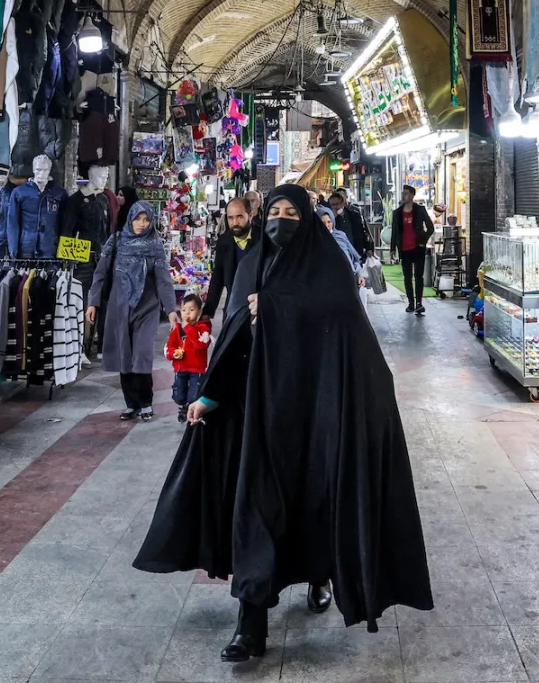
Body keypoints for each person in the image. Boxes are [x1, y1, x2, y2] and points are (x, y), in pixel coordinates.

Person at [133, 184, 432, 661]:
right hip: (260, 416)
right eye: (275, 211)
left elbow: (342, 326)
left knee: (313, 508)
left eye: (293, 212)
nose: (282, 220)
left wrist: (275, 308)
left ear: (308, 219)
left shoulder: (329, 266)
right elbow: (235, 337)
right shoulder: (254, 264)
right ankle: (249, 625)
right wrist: (209, 395)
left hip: (314, 416)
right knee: (256, 511)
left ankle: (318, 576)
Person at [86, 201, 177, 421]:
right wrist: (93, 302)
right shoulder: (116, 241)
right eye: (138, 219)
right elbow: (100, 274)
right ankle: (131, 404)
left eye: (146, 220)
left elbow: (163, 279)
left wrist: (171, 309)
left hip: (147, 308)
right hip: (119, 307)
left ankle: (145, 402)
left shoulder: (154, 245)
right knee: (124, 356)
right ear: (130, 219)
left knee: (142, 355)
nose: (142, 224)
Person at [203, 197, 256, 321]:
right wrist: (208, 311)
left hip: (257, 308)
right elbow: (218, 276)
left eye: (240, 217)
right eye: (230, 218)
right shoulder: (224, 241)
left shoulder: (263, 240)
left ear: (251, 215)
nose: (235, 222)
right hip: (233, 306)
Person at [167, 293, 213, 422]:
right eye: (183, 310)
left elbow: (201, 345)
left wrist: (188, 328)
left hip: (196, 368)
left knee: (194, 394)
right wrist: (173, 353)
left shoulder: (203, 329)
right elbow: (169, 346)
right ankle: (184, 405)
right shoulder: (177, 329)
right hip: (180, 367)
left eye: (191, 310)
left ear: (199, 312)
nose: (187, 313)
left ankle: (191, 409)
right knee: (178, 395)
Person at [390, 185, 435, 315]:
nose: (404, 196)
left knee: (418, 276)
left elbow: (430, 227)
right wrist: (393, 248)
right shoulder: (397, 212)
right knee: (407, 277)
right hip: (404, 248)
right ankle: (410, 302)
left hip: (418, 247)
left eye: (407, 194)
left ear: (412, 196)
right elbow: (394, 231)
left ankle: (419, 302)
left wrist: (423, 240)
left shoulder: (420, 210)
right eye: (403, 194)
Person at [317, 206, 365, 298]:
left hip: (348, 283)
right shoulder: (313, 241)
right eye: (322, 223)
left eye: (329, 222)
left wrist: (359, 274)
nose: (326, 225)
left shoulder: (341, 236)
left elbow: (354, 259)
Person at [329, 188, 373, 259]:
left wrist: (368, 248)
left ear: (342, 203)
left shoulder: (354, 215)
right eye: (332, 204)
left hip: (355, 250)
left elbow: (362, 231)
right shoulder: (329, 219)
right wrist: (333, 217)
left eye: (336, 204)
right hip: (338, 253)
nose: (334, 207)